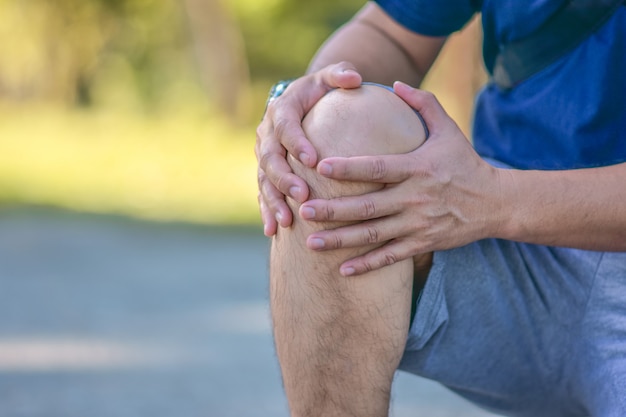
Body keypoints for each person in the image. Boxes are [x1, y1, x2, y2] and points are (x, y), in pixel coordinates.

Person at [255, 1, 626, 416]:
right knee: (333, 133)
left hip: (501, 206)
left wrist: (495, 199)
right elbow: (392, 34)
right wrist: (298, 105)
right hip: (511, 250)